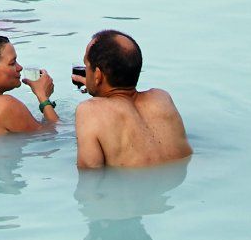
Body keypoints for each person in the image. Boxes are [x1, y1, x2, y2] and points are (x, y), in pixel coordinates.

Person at [70, 30, 191, 169]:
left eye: (86, 65)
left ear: (97, 75)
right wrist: (97, 86)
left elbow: (89, 177)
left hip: (135, 188)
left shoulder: (89, 111)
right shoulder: (162, 98)